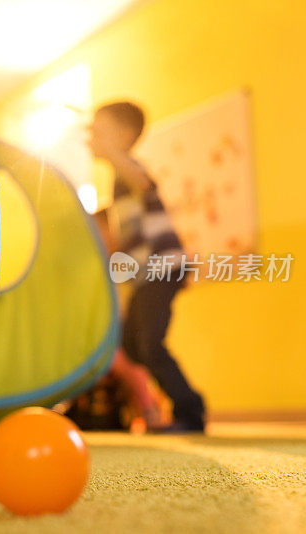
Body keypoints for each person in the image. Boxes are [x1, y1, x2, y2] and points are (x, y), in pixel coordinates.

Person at [87, 101, 206, 433]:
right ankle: (181, 405)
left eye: (100, 129)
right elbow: (130, 237)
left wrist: (113, 153)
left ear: (123, 136)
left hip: (163, 269)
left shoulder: (131, 171)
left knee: (151, 345)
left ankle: (190, 412)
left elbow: (142, 182)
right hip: (146, 275)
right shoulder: (117, 182)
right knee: (133, 346)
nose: (92, 136)